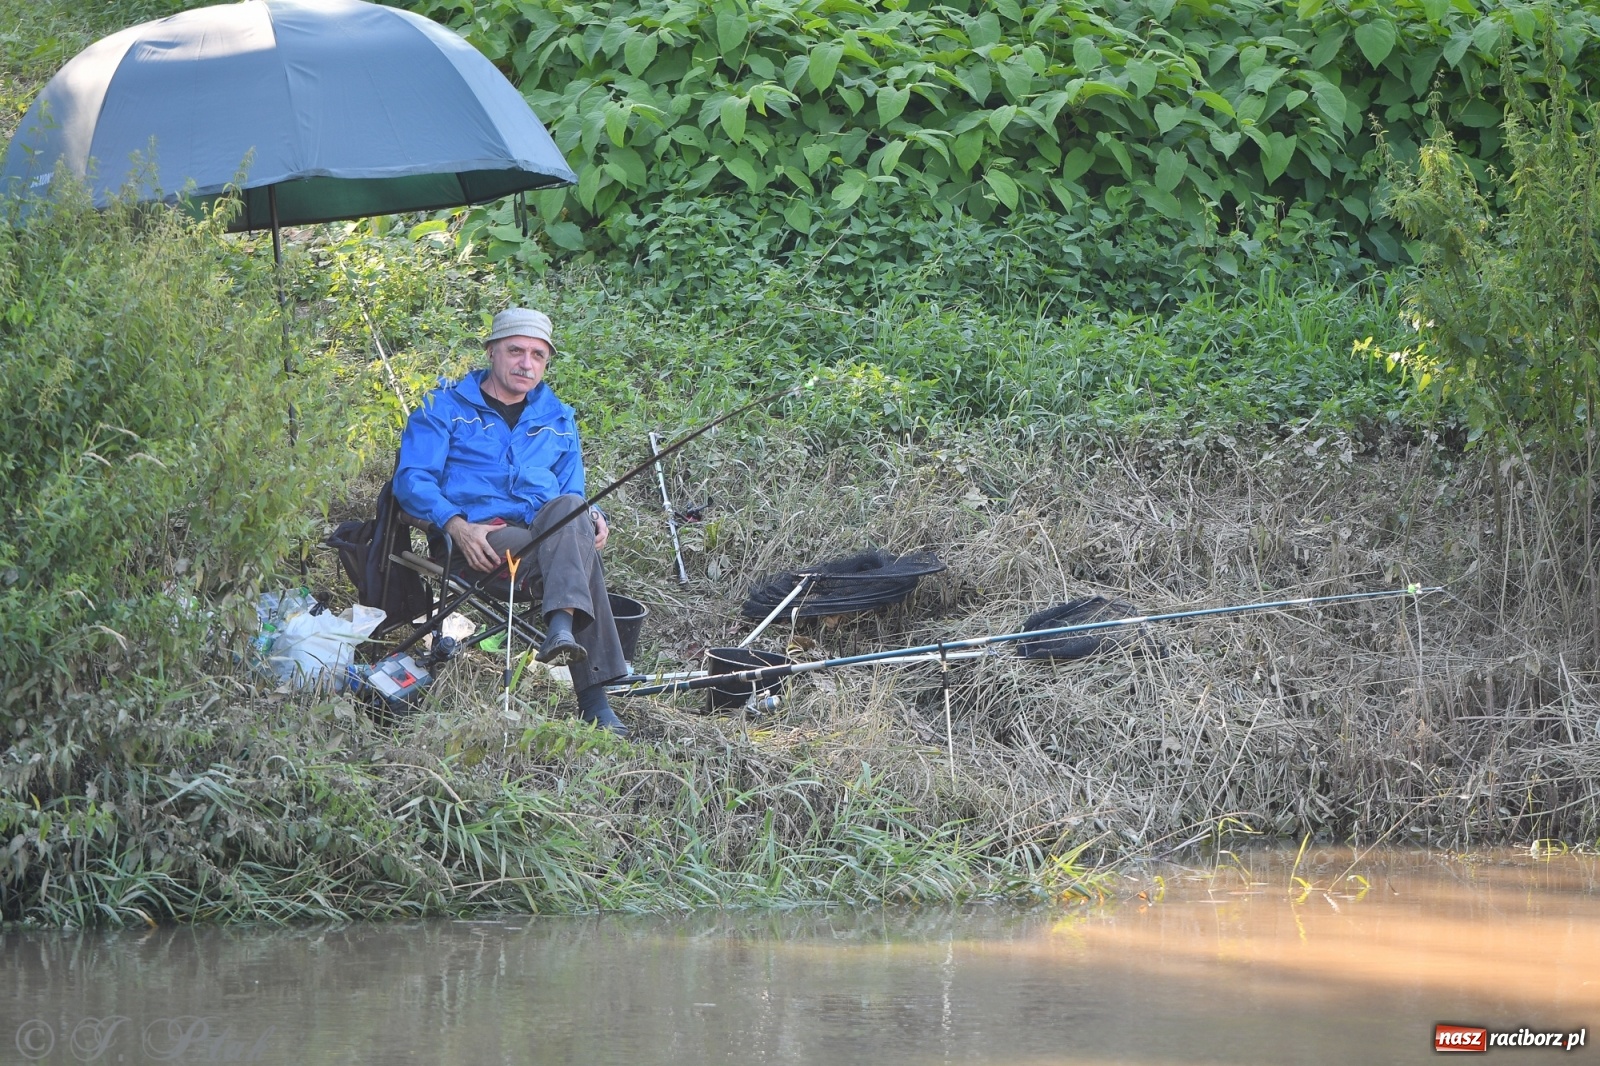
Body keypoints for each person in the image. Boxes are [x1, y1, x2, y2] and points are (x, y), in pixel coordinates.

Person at [394, 307, 629, 736]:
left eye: (538, 355)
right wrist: (454, 524)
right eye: (516, 350)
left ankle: (561, 627)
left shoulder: (558, 418)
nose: (526, 363)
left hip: (545, 540)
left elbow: (573, 493)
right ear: (491, 352)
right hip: (478, 542)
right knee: (574, 541)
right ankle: (593, 698)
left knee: (573, 510)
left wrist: (595, 515)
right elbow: (412, 480)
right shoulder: (443, 405)